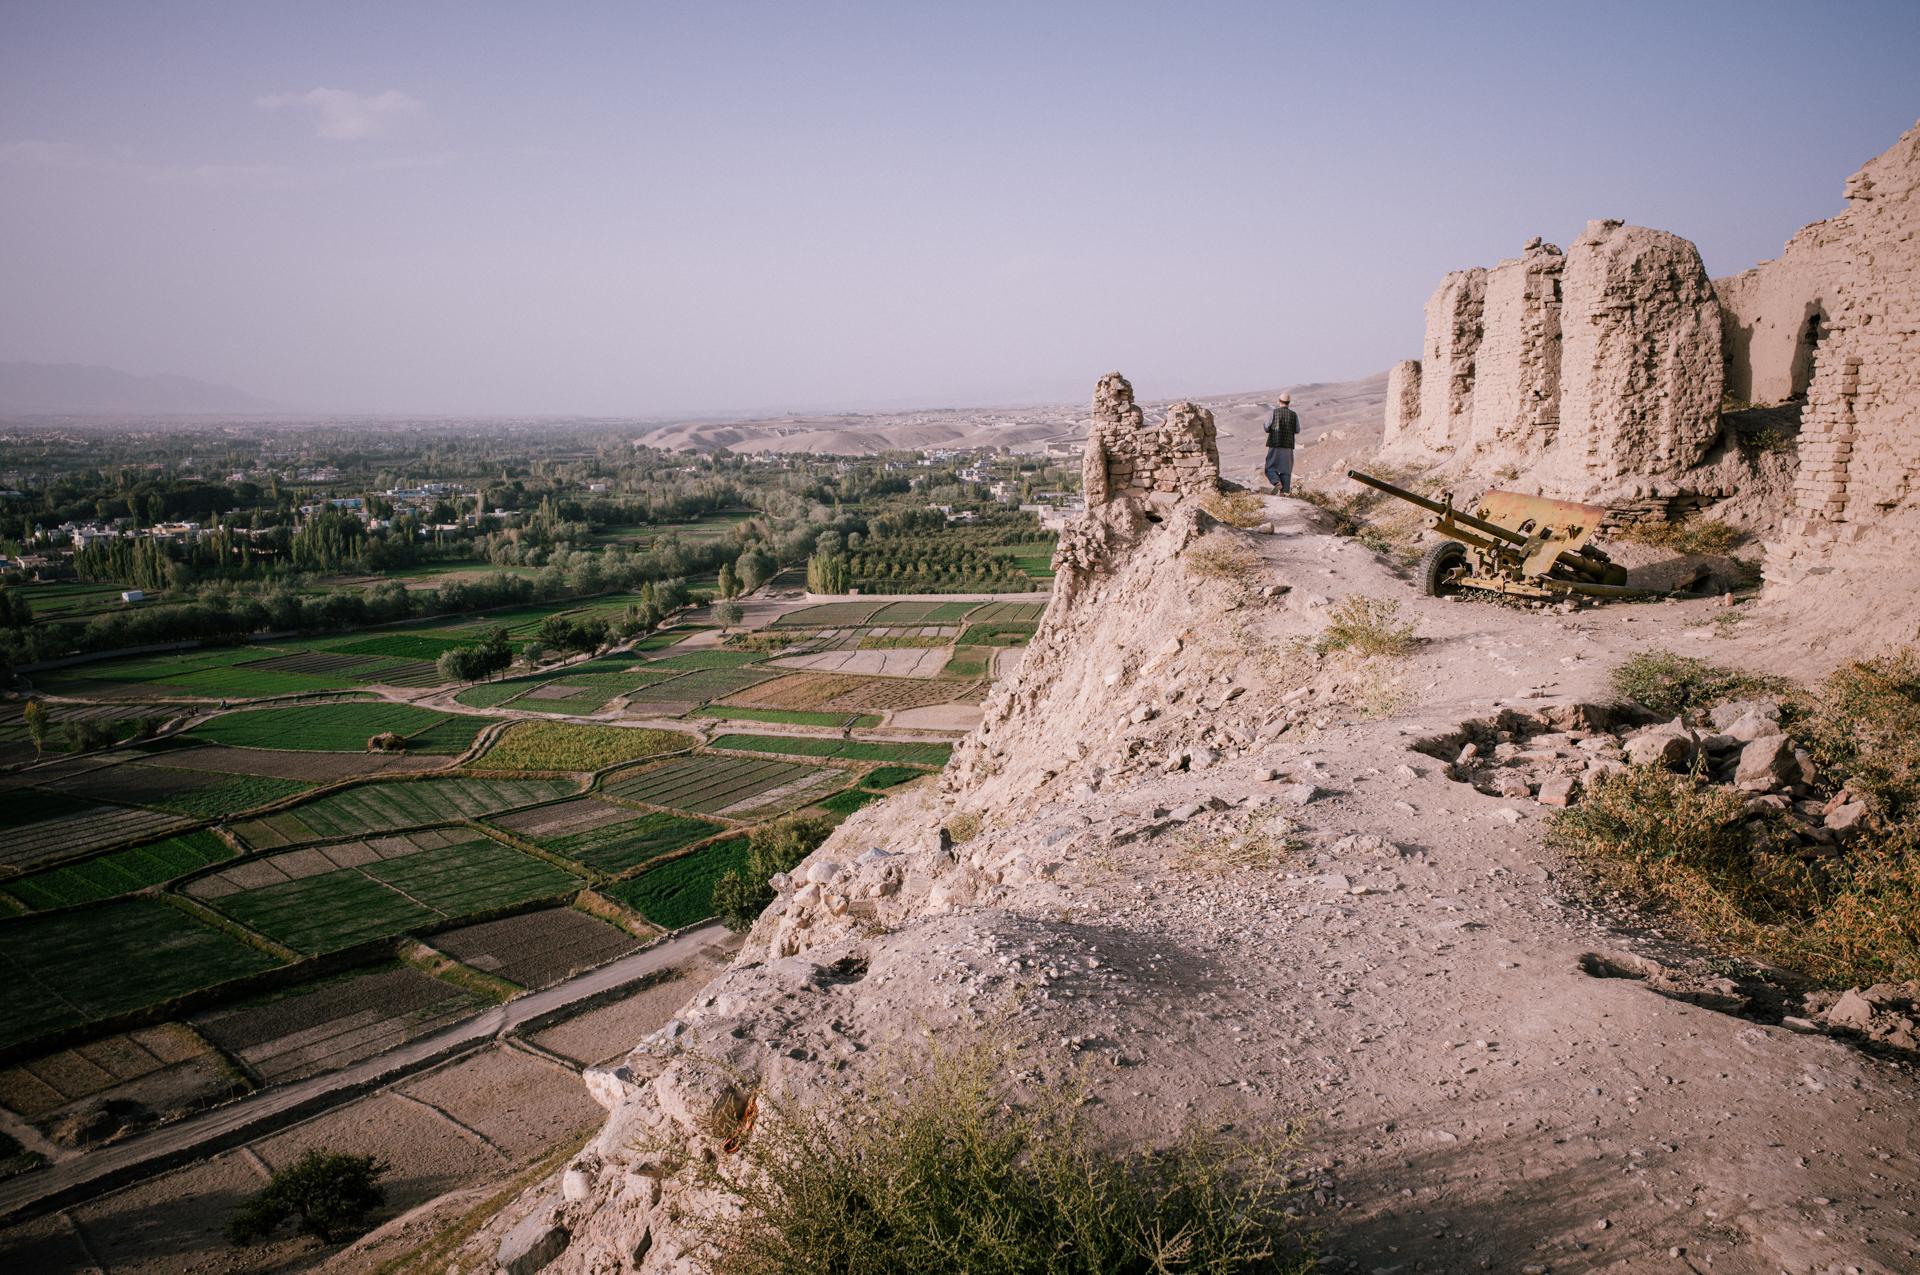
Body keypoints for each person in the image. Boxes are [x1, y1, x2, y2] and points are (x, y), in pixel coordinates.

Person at [1263, 392, 1299, 494]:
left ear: (1279, 401)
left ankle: (1276, 482)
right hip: (1288, 446)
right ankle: (1285, 493)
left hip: (1275, 444)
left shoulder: (1273, 413)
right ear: (1289, 402)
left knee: (1269, 468)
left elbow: (1266, 427)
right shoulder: (1294, 415)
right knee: (1286, 471)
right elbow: (1297, 429)